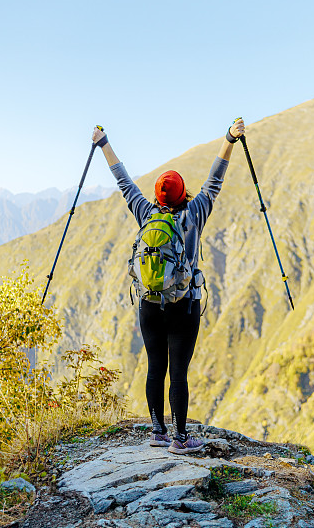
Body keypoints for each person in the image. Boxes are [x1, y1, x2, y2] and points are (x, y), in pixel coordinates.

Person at [92, 118, 245, 454]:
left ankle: (158, 432)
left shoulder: (146, 213)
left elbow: (123, 181)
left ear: (158, 196)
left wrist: (104, 144)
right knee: (178, 373)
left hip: (149, 304)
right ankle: (180, 438)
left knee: (154, 368)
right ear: (182, 192)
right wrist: (229, 139)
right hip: (184, 305)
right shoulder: (195, 212)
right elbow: (215, 179)